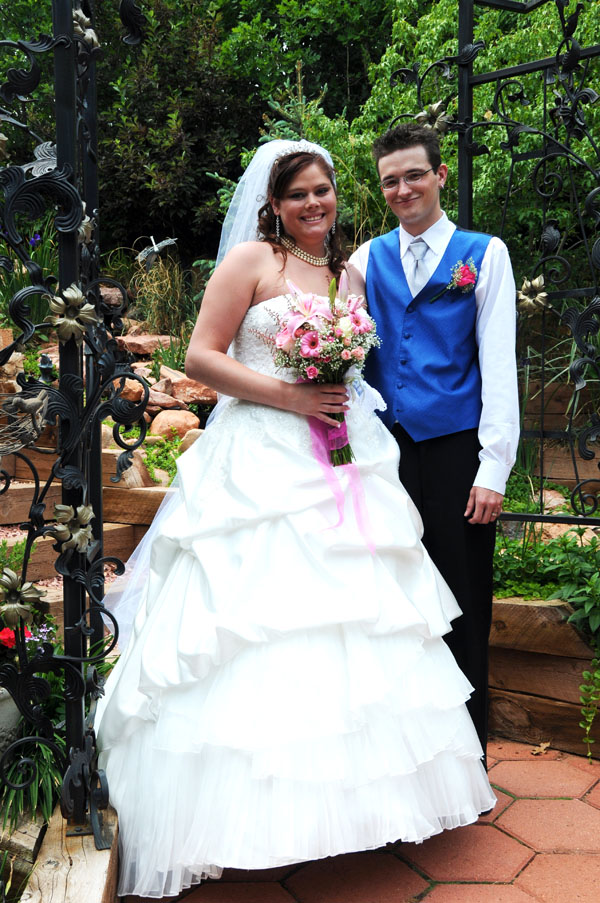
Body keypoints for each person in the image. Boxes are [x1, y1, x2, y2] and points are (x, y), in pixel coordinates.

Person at [95, 138, 496, 901]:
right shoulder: (251, 262)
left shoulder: (349, 274)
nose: (314, 203)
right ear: (274, 204)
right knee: (259, 621)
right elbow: (200, 355)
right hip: (261, 457)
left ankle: (352, 809)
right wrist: (290, 396)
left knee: (356, 620)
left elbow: (358, 365)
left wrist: (337, 393)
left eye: (323, 190)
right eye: (298, 194)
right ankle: (243, 812)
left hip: (343, 458)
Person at [349, 123, 520, 756]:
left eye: (414, 175)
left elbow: (498, 365)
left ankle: (469, 757)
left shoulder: (485, 254)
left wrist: (493, 468)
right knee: (392, 597)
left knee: (463, 596)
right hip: (384, 452)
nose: (403, 189)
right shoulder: (365, 260)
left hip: (455, 448)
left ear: (440, 175)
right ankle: (405, 758)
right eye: (390, 180)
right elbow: (346, 360)